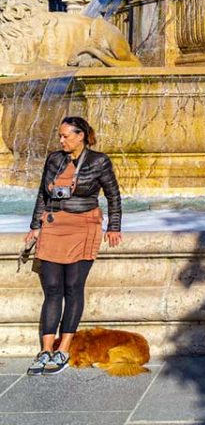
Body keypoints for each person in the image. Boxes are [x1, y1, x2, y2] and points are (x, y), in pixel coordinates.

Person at [23, 116, 122, 376]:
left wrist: (113, 227)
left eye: (66, 136)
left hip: (83, 225)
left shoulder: (99, 161)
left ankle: (64, 347)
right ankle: (46, 350)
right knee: (53, 289)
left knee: (73, 287)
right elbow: (43, 195)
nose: (61, 140)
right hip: (54, 225)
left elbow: (113, 196)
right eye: (60, 136)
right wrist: (35, 226)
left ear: (81, 136)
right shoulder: (54, 159)